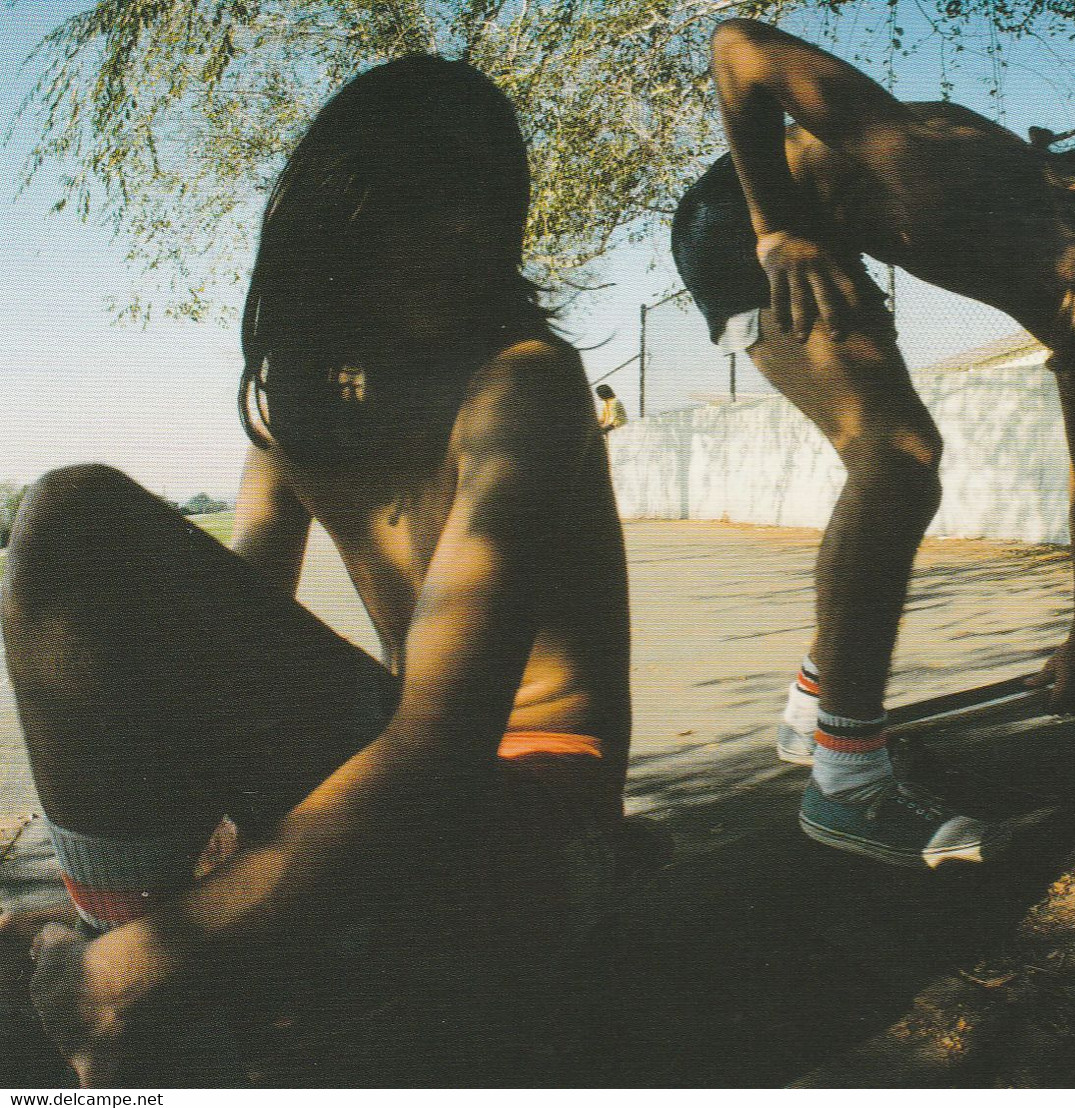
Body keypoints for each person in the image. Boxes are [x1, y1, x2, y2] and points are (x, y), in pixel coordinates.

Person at [0, 55, 630, 1085]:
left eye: (481, 204)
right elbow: (201, 670)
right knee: (69, 530)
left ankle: (122, 993)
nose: (458, 234)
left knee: (75, 515)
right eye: (418, 202)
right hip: (421, 824)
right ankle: (124, 947)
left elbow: (438, 743)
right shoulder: (296, 401)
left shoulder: (525, 383)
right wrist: (193, 875)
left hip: (535, 845)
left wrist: (141, 962)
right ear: (337, 217)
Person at [672, 19, 1075, 868]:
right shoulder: (945, 173)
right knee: (898, 461)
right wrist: (782, 230)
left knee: (901, 462)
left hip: (827, 230)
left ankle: (814, 709)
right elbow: (739, 47)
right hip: (736, 220)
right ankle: (846, 785)